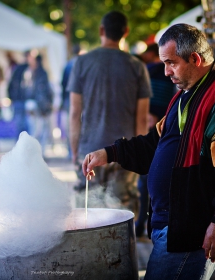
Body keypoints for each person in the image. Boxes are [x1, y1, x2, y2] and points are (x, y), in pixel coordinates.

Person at [82, 23, 215, 279]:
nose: (166, 72)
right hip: (171, 225)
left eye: (171, 63)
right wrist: (109, 153)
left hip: (190, 232)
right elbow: (154, 144)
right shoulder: (185, 94)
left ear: (195, 58)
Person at [68, 11, 152, 213]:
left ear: (101, 30)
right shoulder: (137, 66)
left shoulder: (81, 63)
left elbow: (74, 112)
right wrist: (140, 153)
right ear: (126, 31)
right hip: (125, 152)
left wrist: (75, 150)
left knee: (88, 214)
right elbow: (142, 118)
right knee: (122, 215)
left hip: (89, 149)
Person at [135, 43, 175, 237]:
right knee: (148, 183)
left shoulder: (150, 72)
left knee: (146, 183)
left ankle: (143, 223)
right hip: (157, 131)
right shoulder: (168, 73)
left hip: (155, 130)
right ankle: (144, 222)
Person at [8, 51, 53, 153]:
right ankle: (22, 151)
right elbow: (13, 85)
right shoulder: (21, 69)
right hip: (23, 102)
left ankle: (36, 152)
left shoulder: (40, 72)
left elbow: (44, 89)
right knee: (24, 128)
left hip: (37, 104)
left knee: (37, 130)